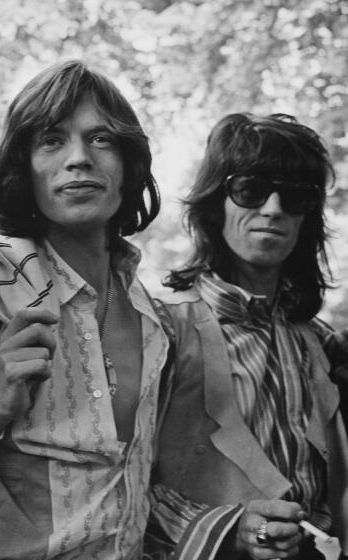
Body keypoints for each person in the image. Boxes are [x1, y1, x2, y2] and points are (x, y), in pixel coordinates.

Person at [0, 60, 170, 559]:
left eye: (101, 139)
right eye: (52, 140)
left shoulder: (154, 318)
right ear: (22, 165)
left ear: (130, 164)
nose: (79, 159)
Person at [146, 113, 348, 560]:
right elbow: (119, 478)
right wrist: (226, 532)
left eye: (294, 196)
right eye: (251, 189)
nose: (273, 209)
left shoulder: (319, 344)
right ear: (217, 203)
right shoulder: (159, 325)